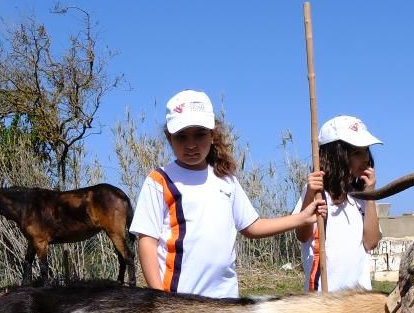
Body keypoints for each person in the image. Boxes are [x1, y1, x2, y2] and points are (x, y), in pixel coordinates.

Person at [130, 89, 323, 298]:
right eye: (181, 137)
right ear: (169, 138)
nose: (191, 144)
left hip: (225, 303)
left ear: (213, 135)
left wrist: (302, 218)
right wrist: (158, 299)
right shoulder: (160, 180)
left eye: (200, 134)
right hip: (177, 304)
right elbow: (147, 240)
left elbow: (252, 226)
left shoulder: (226, 180)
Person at [295, 115, 383, 292]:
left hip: (357, 299)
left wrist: (371, 194)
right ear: (336, 154)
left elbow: (371, 242)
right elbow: (303, 235)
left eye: (366, 150)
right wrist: (311, 193)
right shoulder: (318, 193)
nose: (365, 158)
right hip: (324, 299)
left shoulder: (362, 197)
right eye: (357, 152)